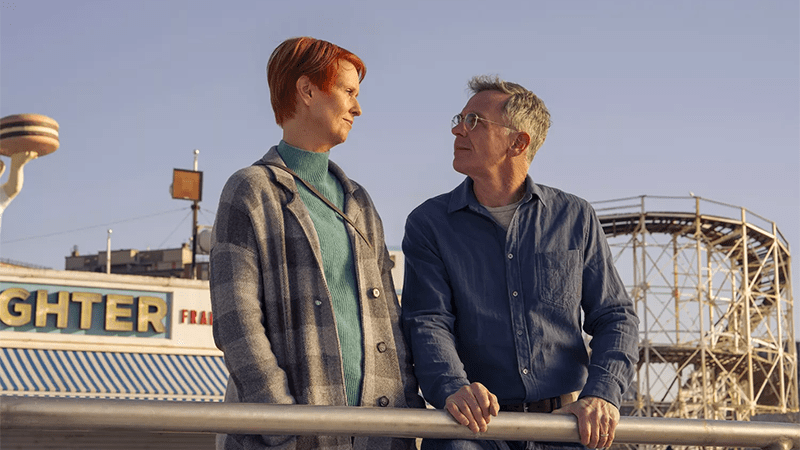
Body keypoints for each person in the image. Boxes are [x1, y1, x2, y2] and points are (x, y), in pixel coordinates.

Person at [401, 76, 639, 450]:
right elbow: (428, 319)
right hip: (473, 430)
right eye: (459, 118)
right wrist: (454, 387)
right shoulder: (429, 223)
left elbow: (614, 316)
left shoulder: (574, 217)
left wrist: (602, 394)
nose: (456, 129)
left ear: (518, 142)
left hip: (565, 428)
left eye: (473, 121)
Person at [210, 36, 424, 450]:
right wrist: (283, 424)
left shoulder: (359, 201)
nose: (357, 108)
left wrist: (407, 417)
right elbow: (236, 322)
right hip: (293, 437)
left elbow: (390, 320)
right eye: (347, 92)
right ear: (307, 90)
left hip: (379, 433)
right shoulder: (251, 190)